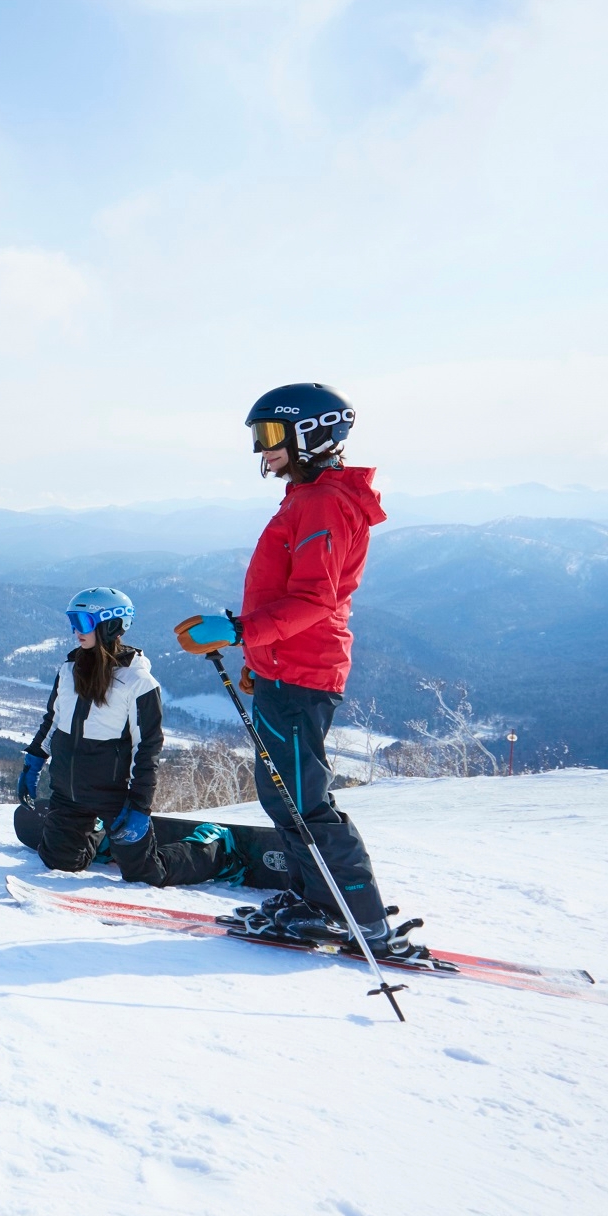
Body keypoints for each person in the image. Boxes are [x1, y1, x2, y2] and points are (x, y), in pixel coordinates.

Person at [176, 381, 405, 955]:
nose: (262, 448)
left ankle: (357, 915)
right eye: (259, 435)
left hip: (303, 672)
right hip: (288, 667)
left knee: (303, 798)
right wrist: (257, 656)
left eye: (272, 434)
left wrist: (241, 634)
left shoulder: (322, 502)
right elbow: (289, 597)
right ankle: (314, 897)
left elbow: (314, 601)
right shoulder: (308, 497)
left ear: (311, 434)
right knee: (282, 795)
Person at [11, 588, 234, 887]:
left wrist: (140, 807)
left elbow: (148, 749)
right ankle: (102, 837)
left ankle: (215, 849)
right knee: (59, 863)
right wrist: (34, 759)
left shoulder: (138, 681)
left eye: (83, 621)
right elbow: (53, 719)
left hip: (116, 797)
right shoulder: (68, 670)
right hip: (69, 792)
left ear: (110, 625)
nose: (76, 630)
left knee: (145, 874)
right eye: (72, 621)